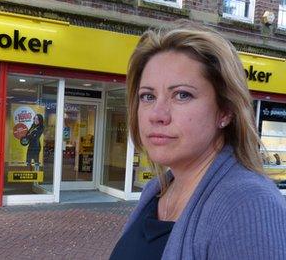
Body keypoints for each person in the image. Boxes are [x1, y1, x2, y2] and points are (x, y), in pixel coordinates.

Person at [110, 21, 286, 259]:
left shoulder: (248, 204)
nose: (157, 115)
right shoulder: (157, 189)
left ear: (225, 111)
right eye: (148, 96)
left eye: (182, 95)